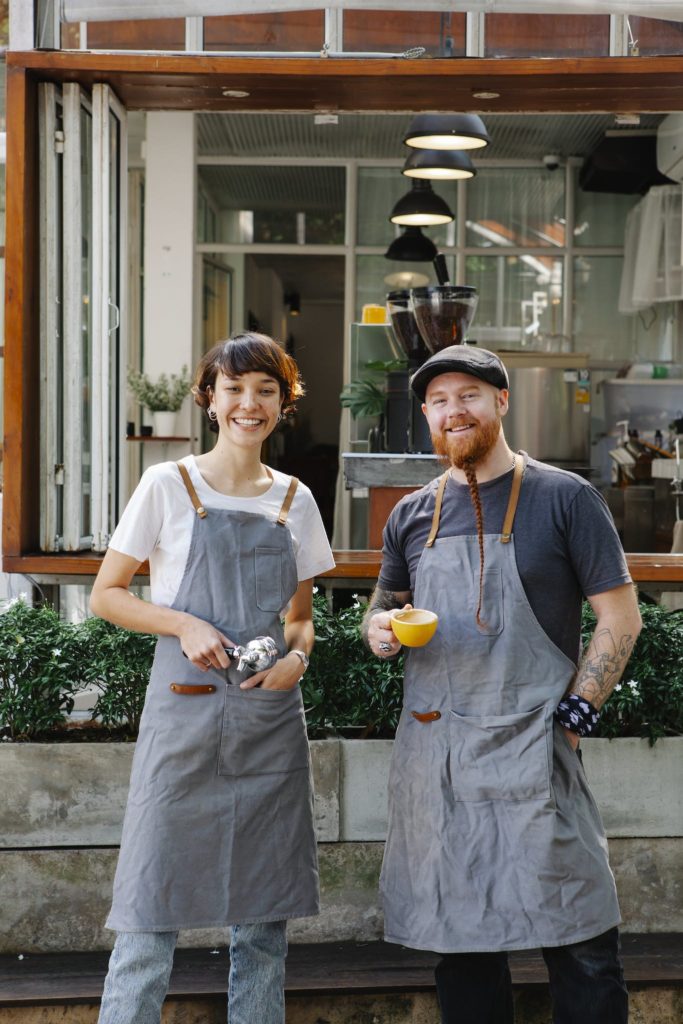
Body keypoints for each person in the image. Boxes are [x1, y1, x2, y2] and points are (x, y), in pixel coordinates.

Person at [362, 345, 642, 1024]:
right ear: (425, 415)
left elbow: (620, 616)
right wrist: (377, 632)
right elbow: (379, 609)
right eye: (438, 401)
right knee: (461, 949)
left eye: (469, 396)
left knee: (579, 945)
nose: (453, 411)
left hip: (531, 751)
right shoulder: (412, 513)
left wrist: (577, 712)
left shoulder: (563, 497)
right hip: (441, 763)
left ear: (500, 403)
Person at [90, 332, 335, 1024]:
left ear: (283, 404)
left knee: (261, 928)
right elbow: (107, 594)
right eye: (233, 389)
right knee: (147, 917)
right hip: (184, 717)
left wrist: (297, 660)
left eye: (264, 390)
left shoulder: (294, 501)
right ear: (209, 400)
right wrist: (181, 624)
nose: (247, 404)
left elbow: (299, 619)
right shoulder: (168, 485)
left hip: (265, 723)